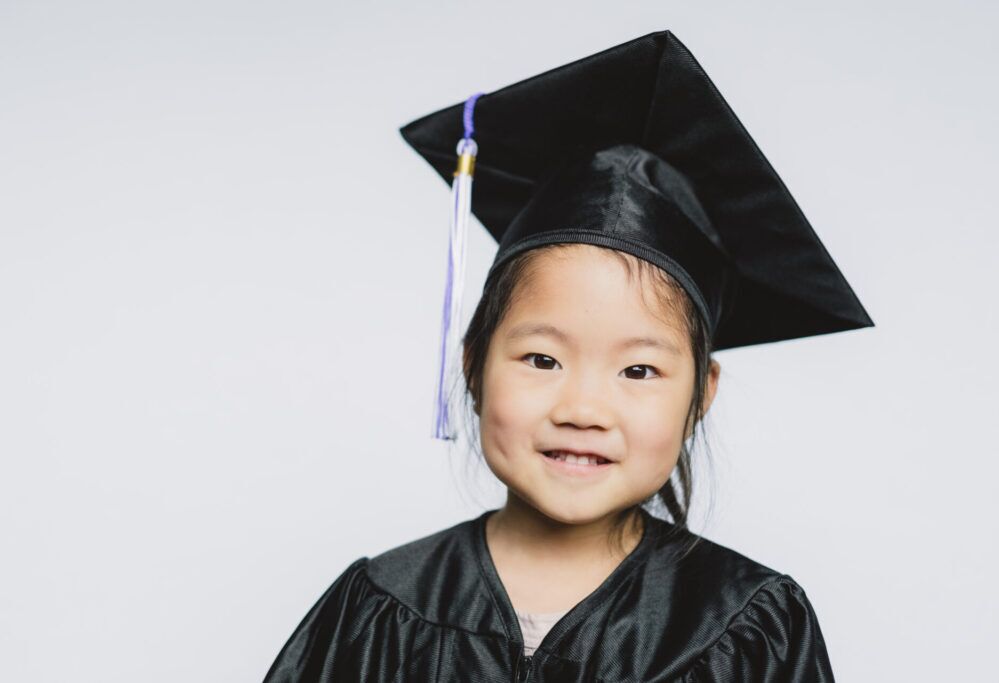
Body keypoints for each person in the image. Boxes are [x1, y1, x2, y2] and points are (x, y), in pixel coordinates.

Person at [263, 29, 872, 682]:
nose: (583, 408)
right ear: (472, 364)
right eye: (542, 360)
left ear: (702, 393)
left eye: (638, 370)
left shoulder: (747, 626)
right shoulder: (379, 606)